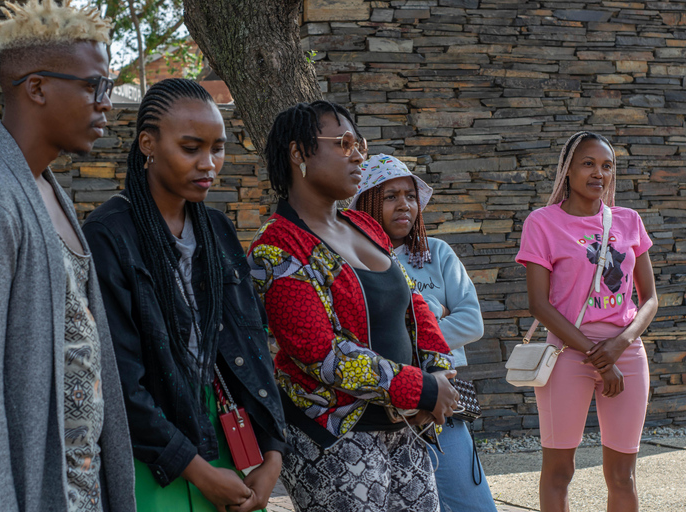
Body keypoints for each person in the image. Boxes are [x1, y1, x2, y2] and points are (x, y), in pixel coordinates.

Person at [0, 0, 136, 510]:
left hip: (76, 492)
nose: (107, 103)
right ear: (36, 87)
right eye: (93, 85)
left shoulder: (43, 186)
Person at [83, 78, 287, 512]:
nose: (209, 164)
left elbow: (249, 342)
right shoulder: (108, 236)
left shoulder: (217, 230)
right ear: (147, 144)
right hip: (151, 448)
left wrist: (272, 453)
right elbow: (117, 377)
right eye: (191, 148)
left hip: (228, 432)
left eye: (217, 148)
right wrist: (194, 469)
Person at [248, 101, 460, 512]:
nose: (360, 154)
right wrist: (422, 388)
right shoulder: (277, 247)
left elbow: (412, 304)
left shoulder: (362, 226)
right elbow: (321, 354)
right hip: (333, 440)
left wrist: (438, 372)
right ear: (298, 153)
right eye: (343, 143)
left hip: (406, 430)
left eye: (358, 142)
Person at [515, 131, 657, 512]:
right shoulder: (542, 223)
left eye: (607, 166)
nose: (599, 173)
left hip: (625, 353)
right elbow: (539, 305)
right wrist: (599, 355)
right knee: (559, 472)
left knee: (623, 475)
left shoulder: (629, 221)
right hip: (566, 353)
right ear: (568, 170)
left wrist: (619, 346)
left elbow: (650, 300)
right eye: (588, 163)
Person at [351, 153, 498, 512]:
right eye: (390, 196)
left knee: (472, 505)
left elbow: (472, 323)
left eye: (410, 195)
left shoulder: (438, 254)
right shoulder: (353, 260)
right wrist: (433, 316)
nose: (404, 205)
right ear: (368, 203)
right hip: (382, 410)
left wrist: (411, 328)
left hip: (440, 401)